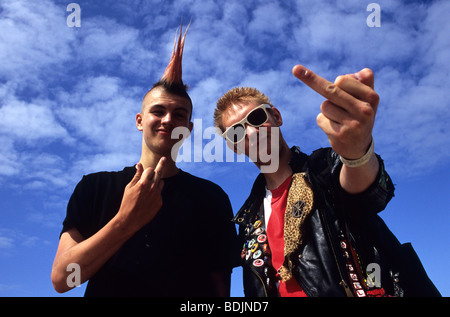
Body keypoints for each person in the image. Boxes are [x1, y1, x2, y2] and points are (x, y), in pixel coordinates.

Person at [51, 23, 239, 297]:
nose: (167, 120)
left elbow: (220, 287)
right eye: (158, 111)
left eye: (179, 114)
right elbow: (62, 279)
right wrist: (125, 221)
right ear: (140, 121)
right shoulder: (94, 187)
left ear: (188, 128)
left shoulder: (212, 197)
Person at [214, 65, 400, 297]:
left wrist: (357, 153)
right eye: (235, 133)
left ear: (277, 116)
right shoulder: (248, 219)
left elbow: (369, 194)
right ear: (233, 146)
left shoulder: (324, 169)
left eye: (256, 118)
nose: (250, 133)